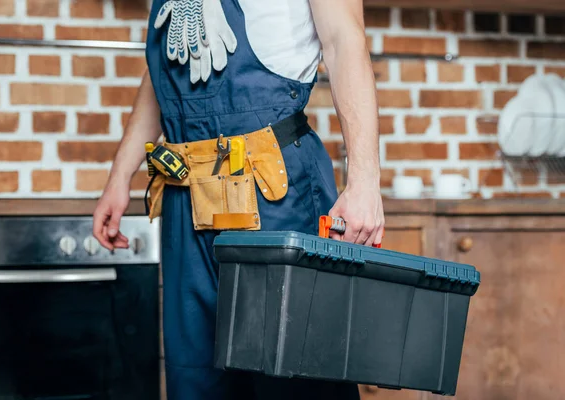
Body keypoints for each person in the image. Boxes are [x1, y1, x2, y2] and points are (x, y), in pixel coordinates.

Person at [93, 0, 385, 398]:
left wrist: (365, 181)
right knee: (196, 378)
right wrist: (119, 174)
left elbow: (344, 40)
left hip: (274, 192)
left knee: (293, 377)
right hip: (186, 196)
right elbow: (169, 69)